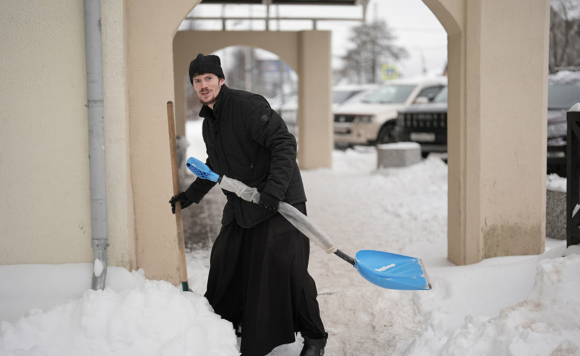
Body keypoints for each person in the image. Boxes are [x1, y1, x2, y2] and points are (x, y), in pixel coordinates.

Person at [170, 53, 328, 356]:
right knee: (227, 260)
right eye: (197, 81)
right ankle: (229, 324)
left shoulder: (247, 106)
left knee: (288, 269)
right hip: (244, 201)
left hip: (280, 199)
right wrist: (191, 195)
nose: (203, 85)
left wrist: (273, 191)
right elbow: (214, 165)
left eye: (208, 79)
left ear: (221, 80)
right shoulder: (209, 123)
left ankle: (315, 337)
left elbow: (284, 143)